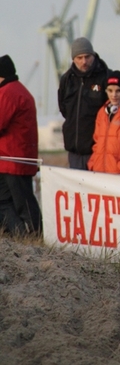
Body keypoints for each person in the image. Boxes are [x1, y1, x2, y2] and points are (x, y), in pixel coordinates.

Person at [0, 55, 42, 235]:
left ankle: (27, 235)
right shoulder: (20, 91)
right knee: (19, 201)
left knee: (18, 202)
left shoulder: (8, 93)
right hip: (17, 157)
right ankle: (25, 235)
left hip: (11, 158)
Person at [58, 37, 110, 170]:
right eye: (79, 58)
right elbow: (63, 108)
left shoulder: (105, 77)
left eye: (87, 57)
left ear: (93, 55)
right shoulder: (66, 80)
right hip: (74, 150)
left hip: (98, 149)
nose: (84, 61)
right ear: (73, 59)